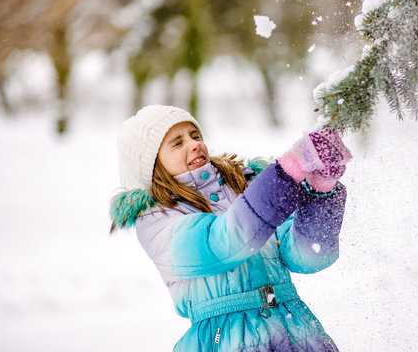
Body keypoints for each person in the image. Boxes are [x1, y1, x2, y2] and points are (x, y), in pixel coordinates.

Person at [110, 105, 352, 351]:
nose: (194, 144)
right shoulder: (157, 218)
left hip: (296, 330)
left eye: (195, 135)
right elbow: (222, 244)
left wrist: (321, 188)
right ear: (151, 164)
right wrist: (288, 171)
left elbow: (308, 256)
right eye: (177, 142)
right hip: (225, 337)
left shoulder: (246, 185)